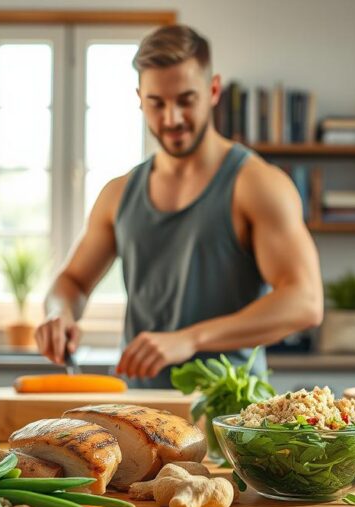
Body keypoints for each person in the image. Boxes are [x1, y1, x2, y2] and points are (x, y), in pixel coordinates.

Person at [35, 24, 323, 388]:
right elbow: (72, 282)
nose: (171, 118)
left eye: (186, 100)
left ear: (213, 89)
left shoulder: (257, 185)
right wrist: (59, 313)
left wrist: (190, 338)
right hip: (136, 415)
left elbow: (305, 301)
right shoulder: (118, 193)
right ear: (140, 98)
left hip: (230, 419)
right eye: (157, 103)